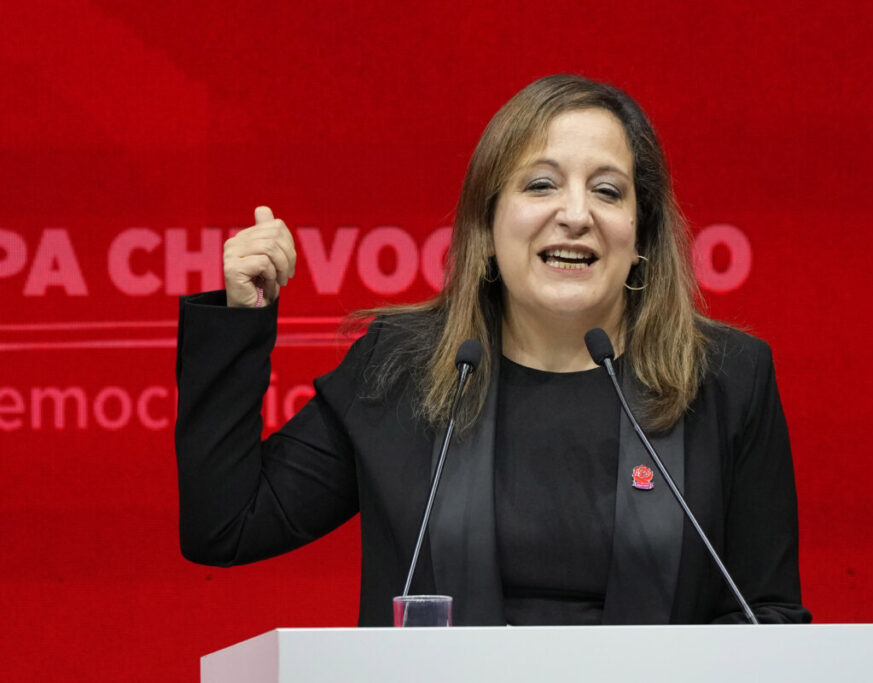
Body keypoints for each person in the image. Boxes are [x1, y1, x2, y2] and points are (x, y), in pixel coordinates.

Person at [175, 74, 811, 626]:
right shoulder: (402, 369)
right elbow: (227, 525)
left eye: (608, 191)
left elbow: (769, 614)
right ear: (487, 225)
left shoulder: (726, 379)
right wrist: (240, 319)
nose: (576, 214)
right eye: (541, 185)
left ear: (640, 233)